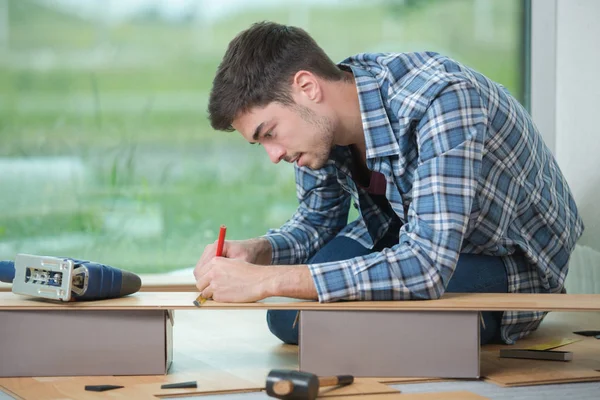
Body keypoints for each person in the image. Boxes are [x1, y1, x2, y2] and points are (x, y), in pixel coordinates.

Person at [193, 21, 584, 346]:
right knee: (288, 317)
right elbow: (316, 223)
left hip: (504, 258)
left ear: (307, 87)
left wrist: (269, 280)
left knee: (327, 320)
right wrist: (259, 253)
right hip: (406, 233)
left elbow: (428, 266)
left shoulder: (442, 100)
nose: (274, 155)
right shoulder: (318, 126)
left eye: (270, 133)